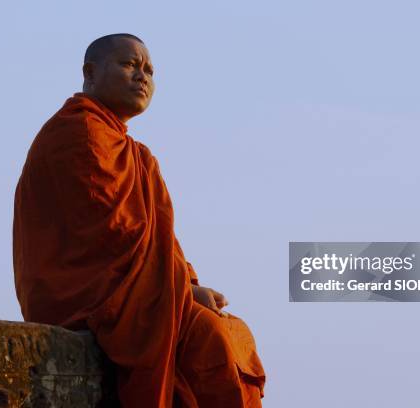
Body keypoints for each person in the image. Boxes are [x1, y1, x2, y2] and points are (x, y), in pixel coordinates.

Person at [13, 33, 265, 407]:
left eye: (149, 70)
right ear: (90, 72)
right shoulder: (77, 133)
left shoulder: (137, 155)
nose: (142, 77)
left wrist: (187, 282)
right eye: (130, 64)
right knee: (209, 336)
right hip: (82, 294)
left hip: (135, 288)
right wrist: (181, 291)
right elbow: (112, 236)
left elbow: (158, 240)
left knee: (233, 332)